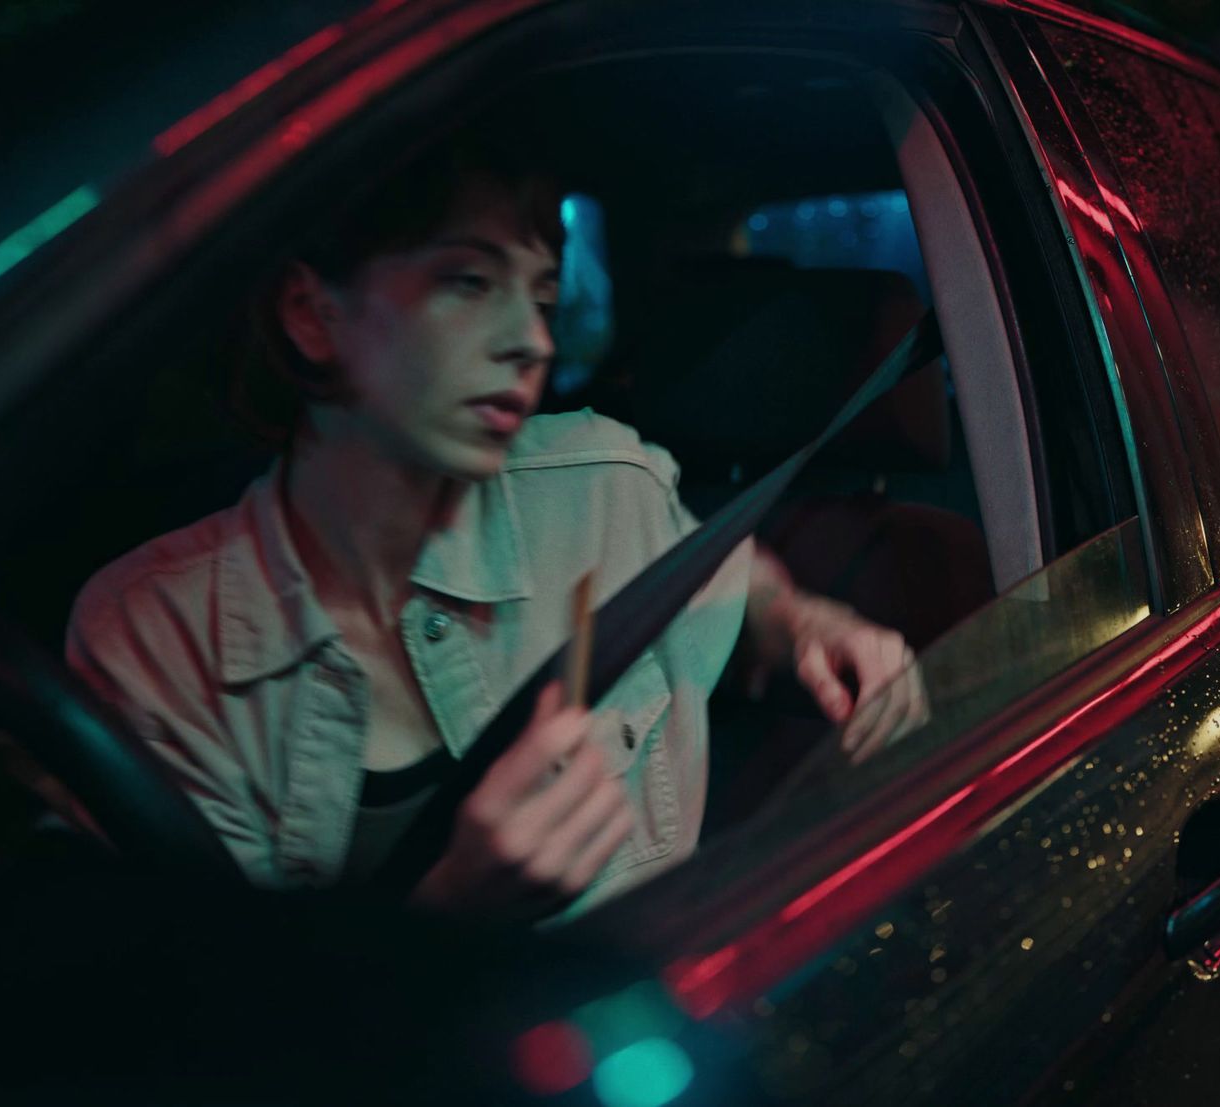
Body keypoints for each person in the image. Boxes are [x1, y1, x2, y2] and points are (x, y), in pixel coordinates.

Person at [63, 135, 921, 915]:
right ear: (312, 311)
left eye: (544, 297)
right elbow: (215, 1029)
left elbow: (722, 576)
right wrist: (453, 912)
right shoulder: (156, 634)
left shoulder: (603, 484)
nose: (533, 342)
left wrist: (805, 620)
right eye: (469, 281)